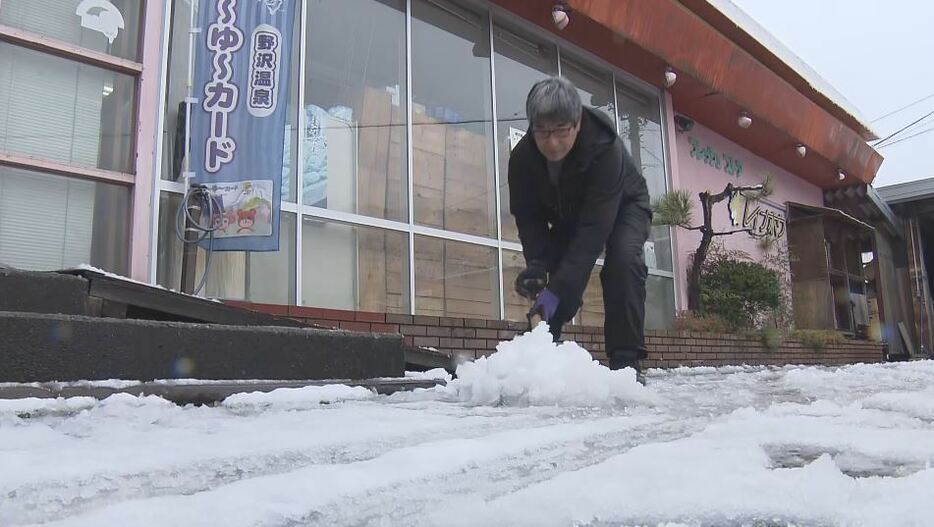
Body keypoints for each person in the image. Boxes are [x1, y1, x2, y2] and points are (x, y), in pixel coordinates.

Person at [508, 76, 652, 378]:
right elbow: (528, 216)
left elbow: (591, 236)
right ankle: (546, 343)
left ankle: (625, 361)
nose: (552, 142)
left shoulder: (604, 147)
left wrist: (555, 290)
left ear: (577, 122)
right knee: (560, 274)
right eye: (543, 132)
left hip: (624, 204)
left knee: (623, 261)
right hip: (571, 215)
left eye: (561, 131)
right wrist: (537, 263)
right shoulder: (522, 159)